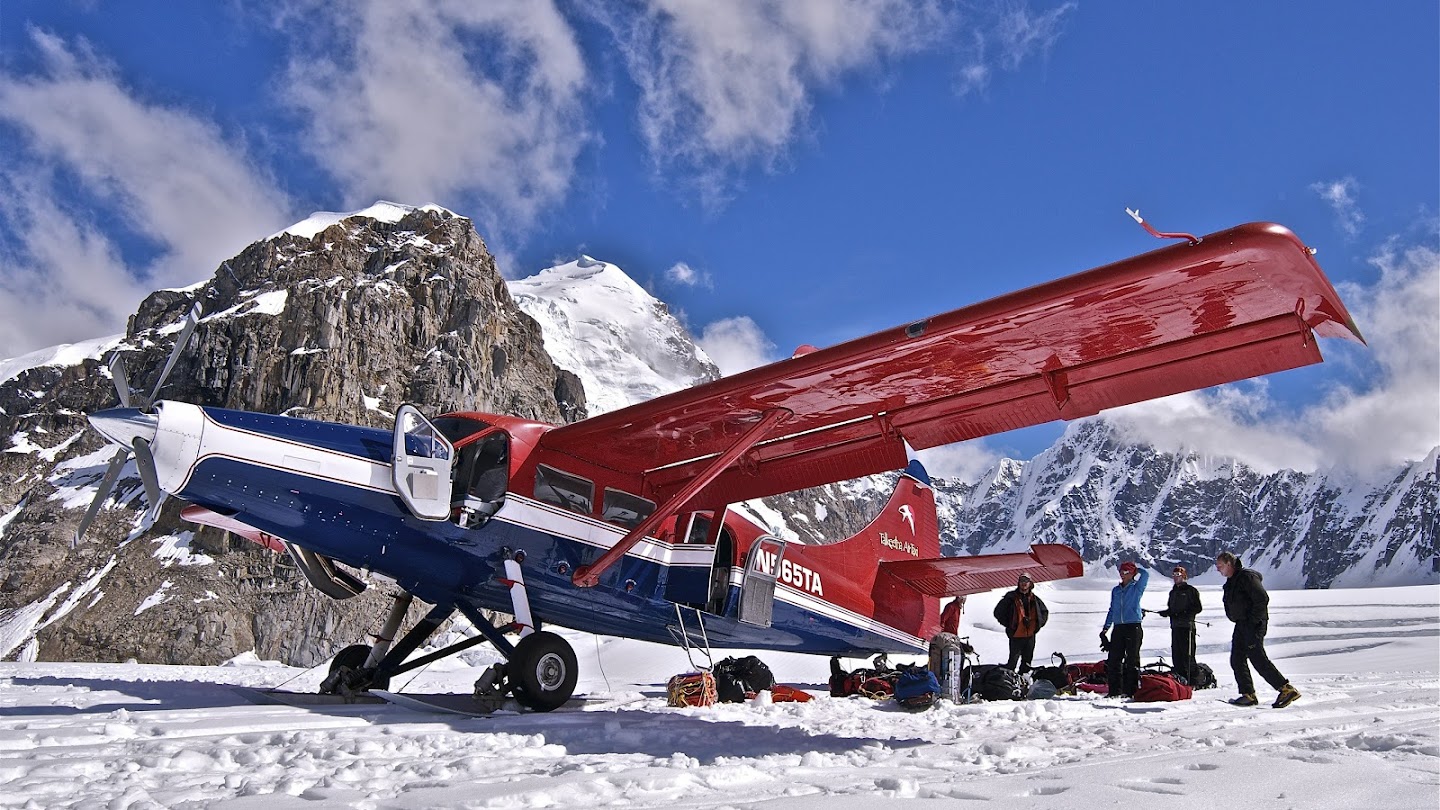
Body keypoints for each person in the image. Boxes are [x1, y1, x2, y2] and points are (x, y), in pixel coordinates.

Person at [1217, 551, 1300, 708]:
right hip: (1241, 624)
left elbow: (1262, 598)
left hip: (1253, 624)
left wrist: (1253, 620)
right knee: (1237, 658)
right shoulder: (1232, 581)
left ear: (1229, 564)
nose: (1218, 569)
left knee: (1257, 657)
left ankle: (1285, 689)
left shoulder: (1247, 577)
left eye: (1220, 565)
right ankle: (1248, 694)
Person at [1100, 560, 1148, 697]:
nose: (1122, 574)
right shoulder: (1116, 590)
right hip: (1118, 627)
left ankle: (1131, 691)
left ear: (1132, 573)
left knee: (1132, 660)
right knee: (1114, 660)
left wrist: (1137, 570)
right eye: (1121, 571)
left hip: (1133, 626)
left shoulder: (1136, 588)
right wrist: (1106, 628)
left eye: (1126, 572)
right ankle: (1114, 691)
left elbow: (1146, 575)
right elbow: (1112, 610)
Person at [1157, 564, 1202, 682]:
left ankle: (1194, 680)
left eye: (1178, 575)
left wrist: (1183, 614)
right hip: (1175, 627)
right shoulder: (1173, 592)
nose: (1175, 577)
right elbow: (1171, 609)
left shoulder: (1191, 590)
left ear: (1184, 576)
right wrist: (1167, 613)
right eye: (1174, 575)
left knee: (1187, 655)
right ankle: (1180, 679)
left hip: (1187, 627)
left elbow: (1197, 608)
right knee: (1176, 654)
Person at [993, 574, 1047, 672]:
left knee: (1027, 663)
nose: (1024, 584)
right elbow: (998, 612)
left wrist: (1037, 625)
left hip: (1030, 635)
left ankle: (1023, 683)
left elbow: (1044, 612)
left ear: (1030, 583)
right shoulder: (1011, 597)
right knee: (1012, 663)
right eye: (1022, 581)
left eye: (1026, 581)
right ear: (1018, 583)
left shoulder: (1034, 599)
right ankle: (1009, 683)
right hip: (1016, 635)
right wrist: (1009, 624)